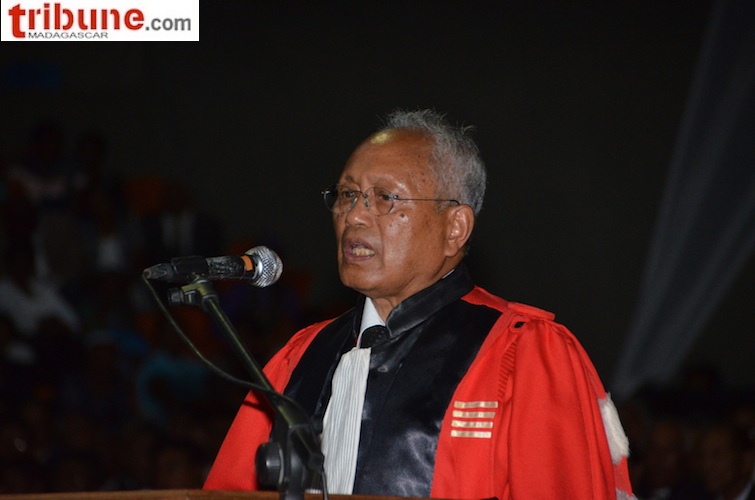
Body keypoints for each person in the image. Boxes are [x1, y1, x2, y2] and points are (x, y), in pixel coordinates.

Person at [203, 109, 634, 499]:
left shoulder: (523, 352)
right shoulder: (300, 358)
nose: (354, 216)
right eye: (347, 195)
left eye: (385, 198)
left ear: (455, 228)